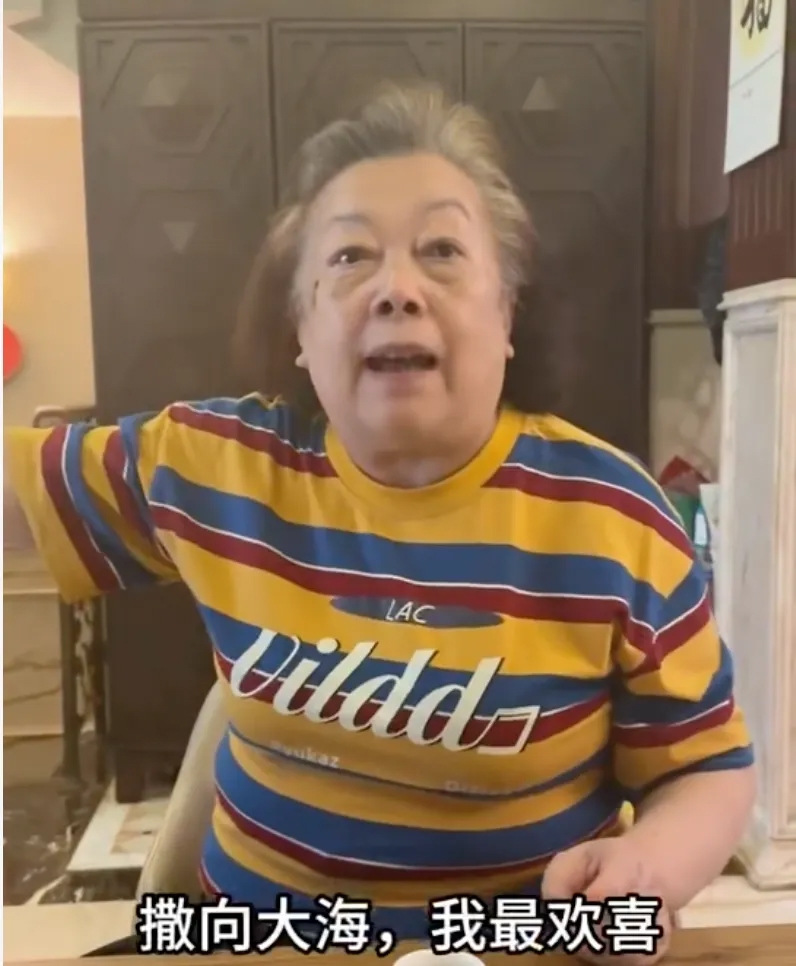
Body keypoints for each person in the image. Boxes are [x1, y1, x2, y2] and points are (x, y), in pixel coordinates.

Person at [4, 84, 754, 965]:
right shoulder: (216, 465)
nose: (397, 289)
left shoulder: (616, 520)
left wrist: (649, 867)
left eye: (442, 250)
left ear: (507, 313)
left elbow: (707, 769)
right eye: (350, 256)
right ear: (300, 324)